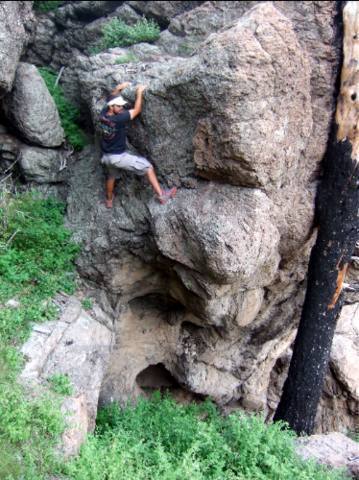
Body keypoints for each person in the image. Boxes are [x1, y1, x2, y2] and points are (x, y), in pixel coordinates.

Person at [99, 82, 177, 208]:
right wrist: (139, 92)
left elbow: (111, 97)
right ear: (112, 107)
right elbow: (137, 110)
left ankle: (109, 200)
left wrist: (119, 88)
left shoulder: (103, 114)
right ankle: (162, 195)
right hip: (118, 157)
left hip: (106, 157)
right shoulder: (118, 119)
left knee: (112, 175)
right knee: (148, 167)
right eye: (118, 106)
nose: (121, 108)